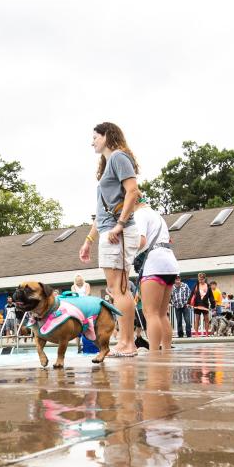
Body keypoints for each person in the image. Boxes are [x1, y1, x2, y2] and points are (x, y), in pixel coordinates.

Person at [77, 122, 140, 358]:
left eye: (95, 137)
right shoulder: (108, 165)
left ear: (107, 136)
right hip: (108, 230)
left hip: (118, 232)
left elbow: (133, 191)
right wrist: (88, 240)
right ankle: (125, 342)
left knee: (119, 288)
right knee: (116, 288)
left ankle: (127, 343)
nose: (91, 141)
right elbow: (102, 211)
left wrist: (120, 224)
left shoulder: (118, 158)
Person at [134, 197, 179, 352]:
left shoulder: (139, 214)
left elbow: (140, 241)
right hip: (169, 263)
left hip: (154, 263)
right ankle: (166, 350)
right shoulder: (157, 216)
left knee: (150, 313)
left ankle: (154, 352)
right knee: (161, 314)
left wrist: (126, 254)